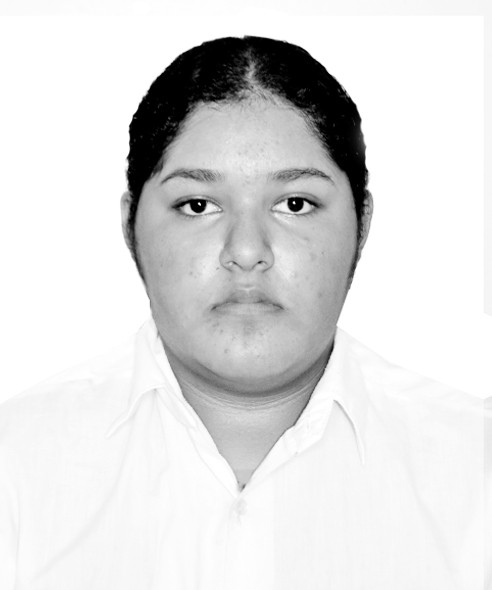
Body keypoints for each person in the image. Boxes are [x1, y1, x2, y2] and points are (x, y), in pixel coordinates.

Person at [0, 35, 483, 589]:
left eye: (295, 204)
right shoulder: (15, 466)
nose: (248, 251)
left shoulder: (476, 471)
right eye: (198, 205)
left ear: (362, 225)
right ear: (131, 227)